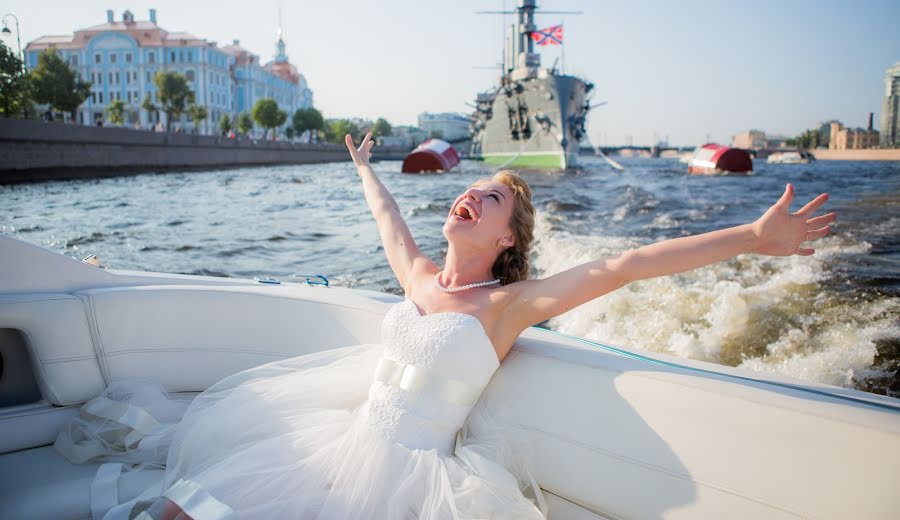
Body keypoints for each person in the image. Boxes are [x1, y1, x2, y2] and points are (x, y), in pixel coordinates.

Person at [56, 132, 835, 519]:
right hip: (339, 441)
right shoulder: (421, 279)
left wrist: (751, 239)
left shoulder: (510, 306)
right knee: (177, 511)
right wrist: (362, 167)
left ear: (506, 240)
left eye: (489, 201)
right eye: (468, 192)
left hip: (411, 479)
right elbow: (390, 222)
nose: (468, 198)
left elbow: (622, 267)